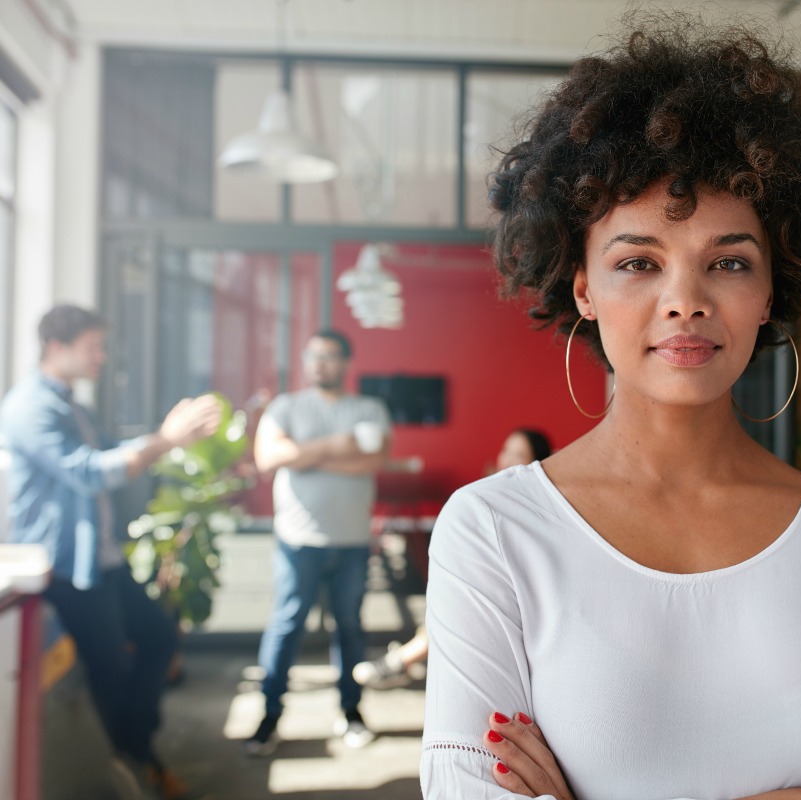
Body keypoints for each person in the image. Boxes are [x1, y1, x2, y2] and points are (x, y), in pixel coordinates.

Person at [420, 15, 801, 800]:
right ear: (583, 286)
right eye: (639, 262)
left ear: (770, 288)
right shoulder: (494, 534)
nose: (685, 302)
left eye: (728, 261)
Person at [0, 304, 221, 798]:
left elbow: (109, 455)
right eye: (92, 347)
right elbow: (90, 472)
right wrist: (165, 440)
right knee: (111, 670)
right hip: (65, 567)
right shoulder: (30, 408)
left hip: (100, 559)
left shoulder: (72, 404)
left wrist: (162, 441)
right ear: (57, 348)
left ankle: (135, 752)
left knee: (160, 638)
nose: (102, 357)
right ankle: (142, 760)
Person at [245, 329, 392, 756]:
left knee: (349, 628)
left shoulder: (368, 408)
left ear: (346, 362)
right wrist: (334, 446)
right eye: (313, 356)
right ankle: (268, 717)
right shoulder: (286, 406)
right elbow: (268, 458)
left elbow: (374, 460)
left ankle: (351, 712)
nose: (319, 364)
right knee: (287, 626)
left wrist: (305, 456)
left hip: (351, 542)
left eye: (329, 356)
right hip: (299, 541)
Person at [352, 428, 553, 689]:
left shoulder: (536, 509)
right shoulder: (488, 496)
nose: (507, 459)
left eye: (518, 453)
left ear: (536, 462)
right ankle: (403, 660)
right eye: (506, 450)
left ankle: (401, 661)